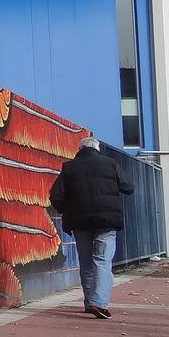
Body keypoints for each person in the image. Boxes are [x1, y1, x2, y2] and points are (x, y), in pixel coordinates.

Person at [49, 136, 133, 318]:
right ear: (97, 148)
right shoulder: (110, 164)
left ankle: (89, 302)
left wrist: (66, 210)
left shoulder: (69, 167)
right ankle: (99, 303)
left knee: (86, 262)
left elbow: (55, 195)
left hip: (79, 223)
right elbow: (128, 187)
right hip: (107, 221)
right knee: (102, 260)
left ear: (80, 149)